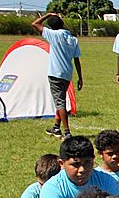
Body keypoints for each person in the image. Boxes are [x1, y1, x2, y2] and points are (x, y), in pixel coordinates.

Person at [39, 135, 119, 198]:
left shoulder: (107, 181)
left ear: (93, 160)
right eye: (75, 164)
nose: (82, 169)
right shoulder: (52, 188)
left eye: (87, 163)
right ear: (62, 164)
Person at [31, 10, 82, 138]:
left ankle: (67, 131)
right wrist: (80, 78)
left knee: (60, 103)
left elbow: (35, 23)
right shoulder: (72, 39)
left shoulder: (53, 35)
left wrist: (48, 15)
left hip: (55, 73)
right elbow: (77, 60)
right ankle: (56, 127)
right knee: (60, 100)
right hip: (67, 73)